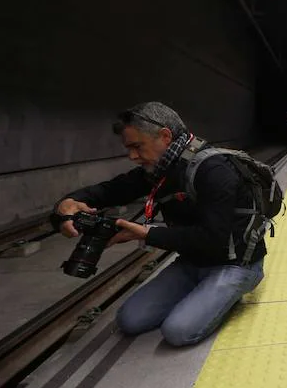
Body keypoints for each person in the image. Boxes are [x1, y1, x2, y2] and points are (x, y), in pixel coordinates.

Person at [51, 102, 266, 346]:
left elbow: (214, 238)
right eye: (128, 148)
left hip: (236, 264)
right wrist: (68, 204)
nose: (132, 156)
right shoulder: (162, 169)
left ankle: (231, 291)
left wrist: (146, 234)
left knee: (178, 331)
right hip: (191, 263)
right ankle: (205, 291)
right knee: (129, 320)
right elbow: (112, 190)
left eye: (136, 146)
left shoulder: (213, 170)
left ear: (165, 136)